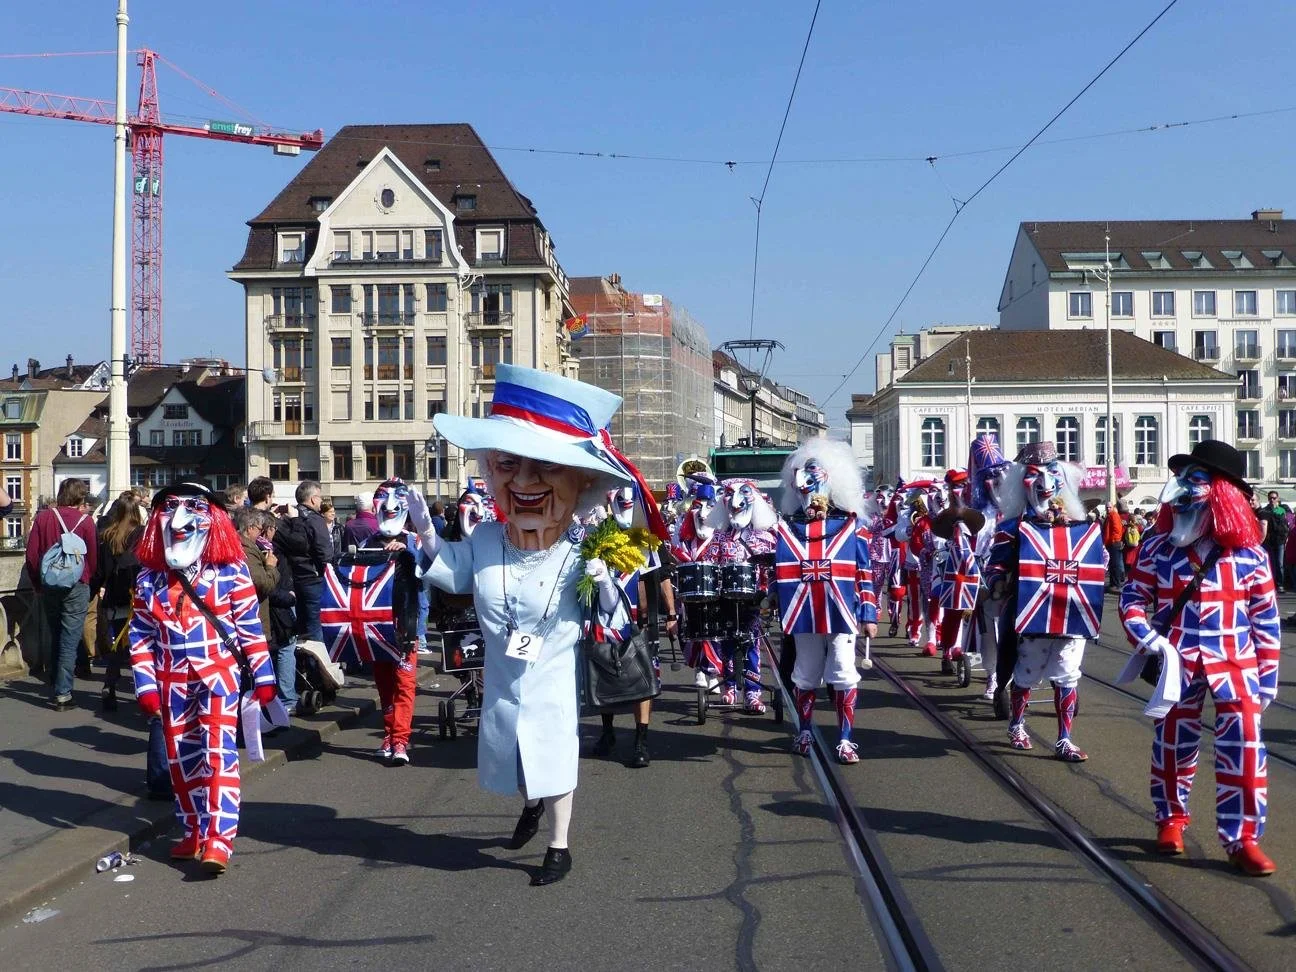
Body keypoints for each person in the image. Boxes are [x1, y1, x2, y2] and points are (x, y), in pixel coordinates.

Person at [425, 364, 634, 887]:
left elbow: (618, 622)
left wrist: (605, 583)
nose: (523, 482)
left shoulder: (586, 549)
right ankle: (532, 803)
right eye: (508, 464)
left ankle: (559, 847)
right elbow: (453, 572)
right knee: (514, 761)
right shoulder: (486, 540)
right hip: (501, 679)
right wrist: (424, 535)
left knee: (555, 759)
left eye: (545, 467)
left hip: (553, 681)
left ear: (582, 481)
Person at [1119, 440, 1280, 876]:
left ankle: (1243, 837)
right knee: (1172, 742)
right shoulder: (1157, 548)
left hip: (1235, 662)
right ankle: (1170, 818)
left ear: (1222, 492)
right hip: (1178, 661)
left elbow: (1265, 620)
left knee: (1245, 747)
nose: (1183, 490)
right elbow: (1133, 598)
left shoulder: (1249, 554)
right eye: (1182, 479)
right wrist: (1150, 640)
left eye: (1196, 480)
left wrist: (1267, 679)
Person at [128, 482, 276, 874]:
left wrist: (263, 676)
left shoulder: (231, 571)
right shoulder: (148, 578)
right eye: (170, 507)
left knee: (218, 754)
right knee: (181, 759)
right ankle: (194, 828)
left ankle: (218, 839)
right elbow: (140, 635)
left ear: (213, 519)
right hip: (172, 681)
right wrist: (146, 685)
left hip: (218, 676)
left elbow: (249, 627)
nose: (179, 518)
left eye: (193, 507)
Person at [987, 441, 1096, 762]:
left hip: (1070, 611)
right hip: (1030, 611)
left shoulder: (1079, 525)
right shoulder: (1013, 526)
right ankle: (1017, 725)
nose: (1044, 482)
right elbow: (995, 564)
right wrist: (997, 583)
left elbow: (1094, 560)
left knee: (1067, 674)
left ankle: (1065, 738)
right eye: (1034, 473)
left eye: (1051, 473)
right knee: (1026, 673)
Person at [776, 438, 878, 764]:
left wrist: (869, 613)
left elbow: (864, 572)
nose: (807, 487)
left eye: (814, 478)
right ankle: (805, 729)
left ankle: (846, 739)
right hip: (803, 611)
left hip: (841, 610)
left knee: (844, 671)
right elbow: (780, 569)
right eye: (803, 479)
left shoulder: (851, 524)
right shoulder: (787, 526)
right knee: (805, 672)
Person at [589, 485, 676, 768]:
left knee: (644, 681)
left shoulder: (648, 536)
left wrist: (672, 613)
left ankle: (641, 741)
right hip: (606, 619)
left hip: (642, 621)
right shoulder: (600, 534)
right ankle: (608, 732)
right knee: (605, 673)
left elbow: (663, 575)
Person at [702, 477, 777, 712]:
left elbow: (774, 568)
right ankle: (730, 687)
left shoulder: (766, 536)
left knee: (751, 642)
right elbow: (709, 564)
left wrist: (770, 594)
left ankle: (753, 692)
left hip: (753, 598)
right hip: (725, 598)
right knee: (727, 642)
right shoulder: (718, 536)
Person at [25, 477, 97, 709]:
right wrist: (88, 579)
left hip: (49, 584)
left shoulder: (43, 518)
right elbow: (92, 558)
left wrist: (37, 584)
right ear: (80, 496)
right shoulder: (86, 521)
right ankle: (63, 693)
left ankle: (56, 680)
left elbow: (32, 556)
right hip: (77, 585)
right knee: (69, 639)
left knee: (56, 633)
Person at [92, 491, 144, 711]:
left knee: (118, 644)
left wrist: (93, 591)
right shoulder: (142, 534)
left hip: (115, 596)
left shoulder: (107, 536)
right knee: (142, 646)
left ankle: (110, 683)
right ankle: (143, 691)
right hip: (138, 597)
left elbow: (100, 571)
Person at [276, 480, 332, 642]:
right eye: (320, 497)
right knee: (316, 626)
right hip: (313, 578)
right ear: (313, 499)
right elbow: (324, 552)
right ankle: (317, 656)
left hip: (293, 578)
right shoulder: (315, 519)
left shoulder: (289, 517)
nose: (321, 501)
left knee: (301, 627)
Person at [1258, 490, 1289, 591]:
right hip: (1269, 540)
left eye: (1274, 498)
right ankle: (1271, 583)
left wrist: (1286, 538)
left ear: (1277, 499)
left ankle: (1280, 584)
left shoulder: (1282, 510)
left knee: (1279, 563)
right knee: (1270, 562)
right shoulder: (1265, 510)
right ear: (1268, 499)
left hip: (1280, 540)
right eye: (1270, 498)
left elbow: (1286, 525)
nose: (1272, 500)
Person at [1104, 500, 1126, 590]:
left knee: (1115, 564)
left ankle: (1116, 584)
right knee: (1112, 564)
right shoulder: (1110, 516)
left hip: (1114, 543)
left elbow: (1116, 530)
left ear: (1113, 507)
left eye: (1110, 507)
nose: (1108, 509)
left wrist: (1113, 541)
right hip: (1111, 542)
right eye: (1107, 507)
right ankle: (1113, 583)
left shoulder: (1114, 515)